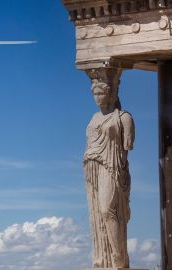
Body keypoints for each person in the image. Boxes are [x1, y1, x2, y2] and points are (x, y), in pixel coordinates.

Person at [83, 74, 135, 268]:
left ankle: (118, 257)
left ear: (110, 93)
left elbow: (127, 147)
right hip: (91, 167)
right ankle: (103, 260)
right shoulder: (94, 117)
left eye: (100, 93)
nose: (96, 98)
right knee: (96, 213)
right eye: (94, 94)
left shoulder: (124, 118)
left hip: (111, 167)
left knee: (107, 210)